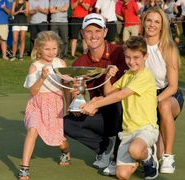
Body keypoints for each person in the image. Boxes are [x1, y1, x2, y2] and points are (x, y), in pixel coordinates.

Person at [80, 36, 159, 180]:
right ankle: (137, 158)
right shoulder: (128, 74)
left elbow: (120, 95)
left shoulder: (145, 75)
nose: (131, 62)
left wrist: (94, 104)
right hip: (128, 131)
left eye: (136, 57)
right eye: (128, 57)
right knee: (122, 175)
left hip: (146, 128)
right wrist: (108, 77)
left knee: (135, 150)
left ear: (145, 57)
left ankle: (148, 158)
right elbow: (109, 93)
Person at [64, 13, 128, 176]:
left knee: (119, 104)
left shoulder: (119, 53)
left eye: (98, 31)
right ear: (83, 34)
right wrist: (76, 97)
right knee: (66, 123)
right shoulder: (79, 63)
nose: (94, 35)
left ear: (105, 32)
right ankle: (105, 147)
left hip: (122, 113)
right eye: (89, 31)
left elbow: (127, 90)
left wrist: (99, 101)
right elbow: (75, 105)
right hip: (98, 114)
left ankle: (118, 157)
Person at [19, 31, 71, 180]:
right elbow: (33, 92)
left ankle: (65, 152)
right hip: (37, 104)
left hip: (55, 105)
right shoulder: (35, 67)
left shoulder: (61, 63)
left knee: (60, 143)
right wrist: (42, 78)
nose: (51, 52)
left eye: (54, 49)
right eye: (47, 49)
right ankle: (24, 169)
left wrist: (68, 106)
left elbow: (66, 87)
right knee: (32, 130)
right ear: (39, 49)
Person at [142, 7, 184, 174]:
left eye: (157, 22)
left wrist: (154, 101)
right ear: (144, 22)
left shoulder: (169, 48)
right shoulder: (137, 44)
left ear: (162, 26)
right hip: (145, 95)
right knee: (152, 157)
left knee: (164, 106)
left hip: (168, 95)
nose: (152, 25)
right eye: (149, 20)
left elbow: (173, 86)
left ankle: (168, 156)